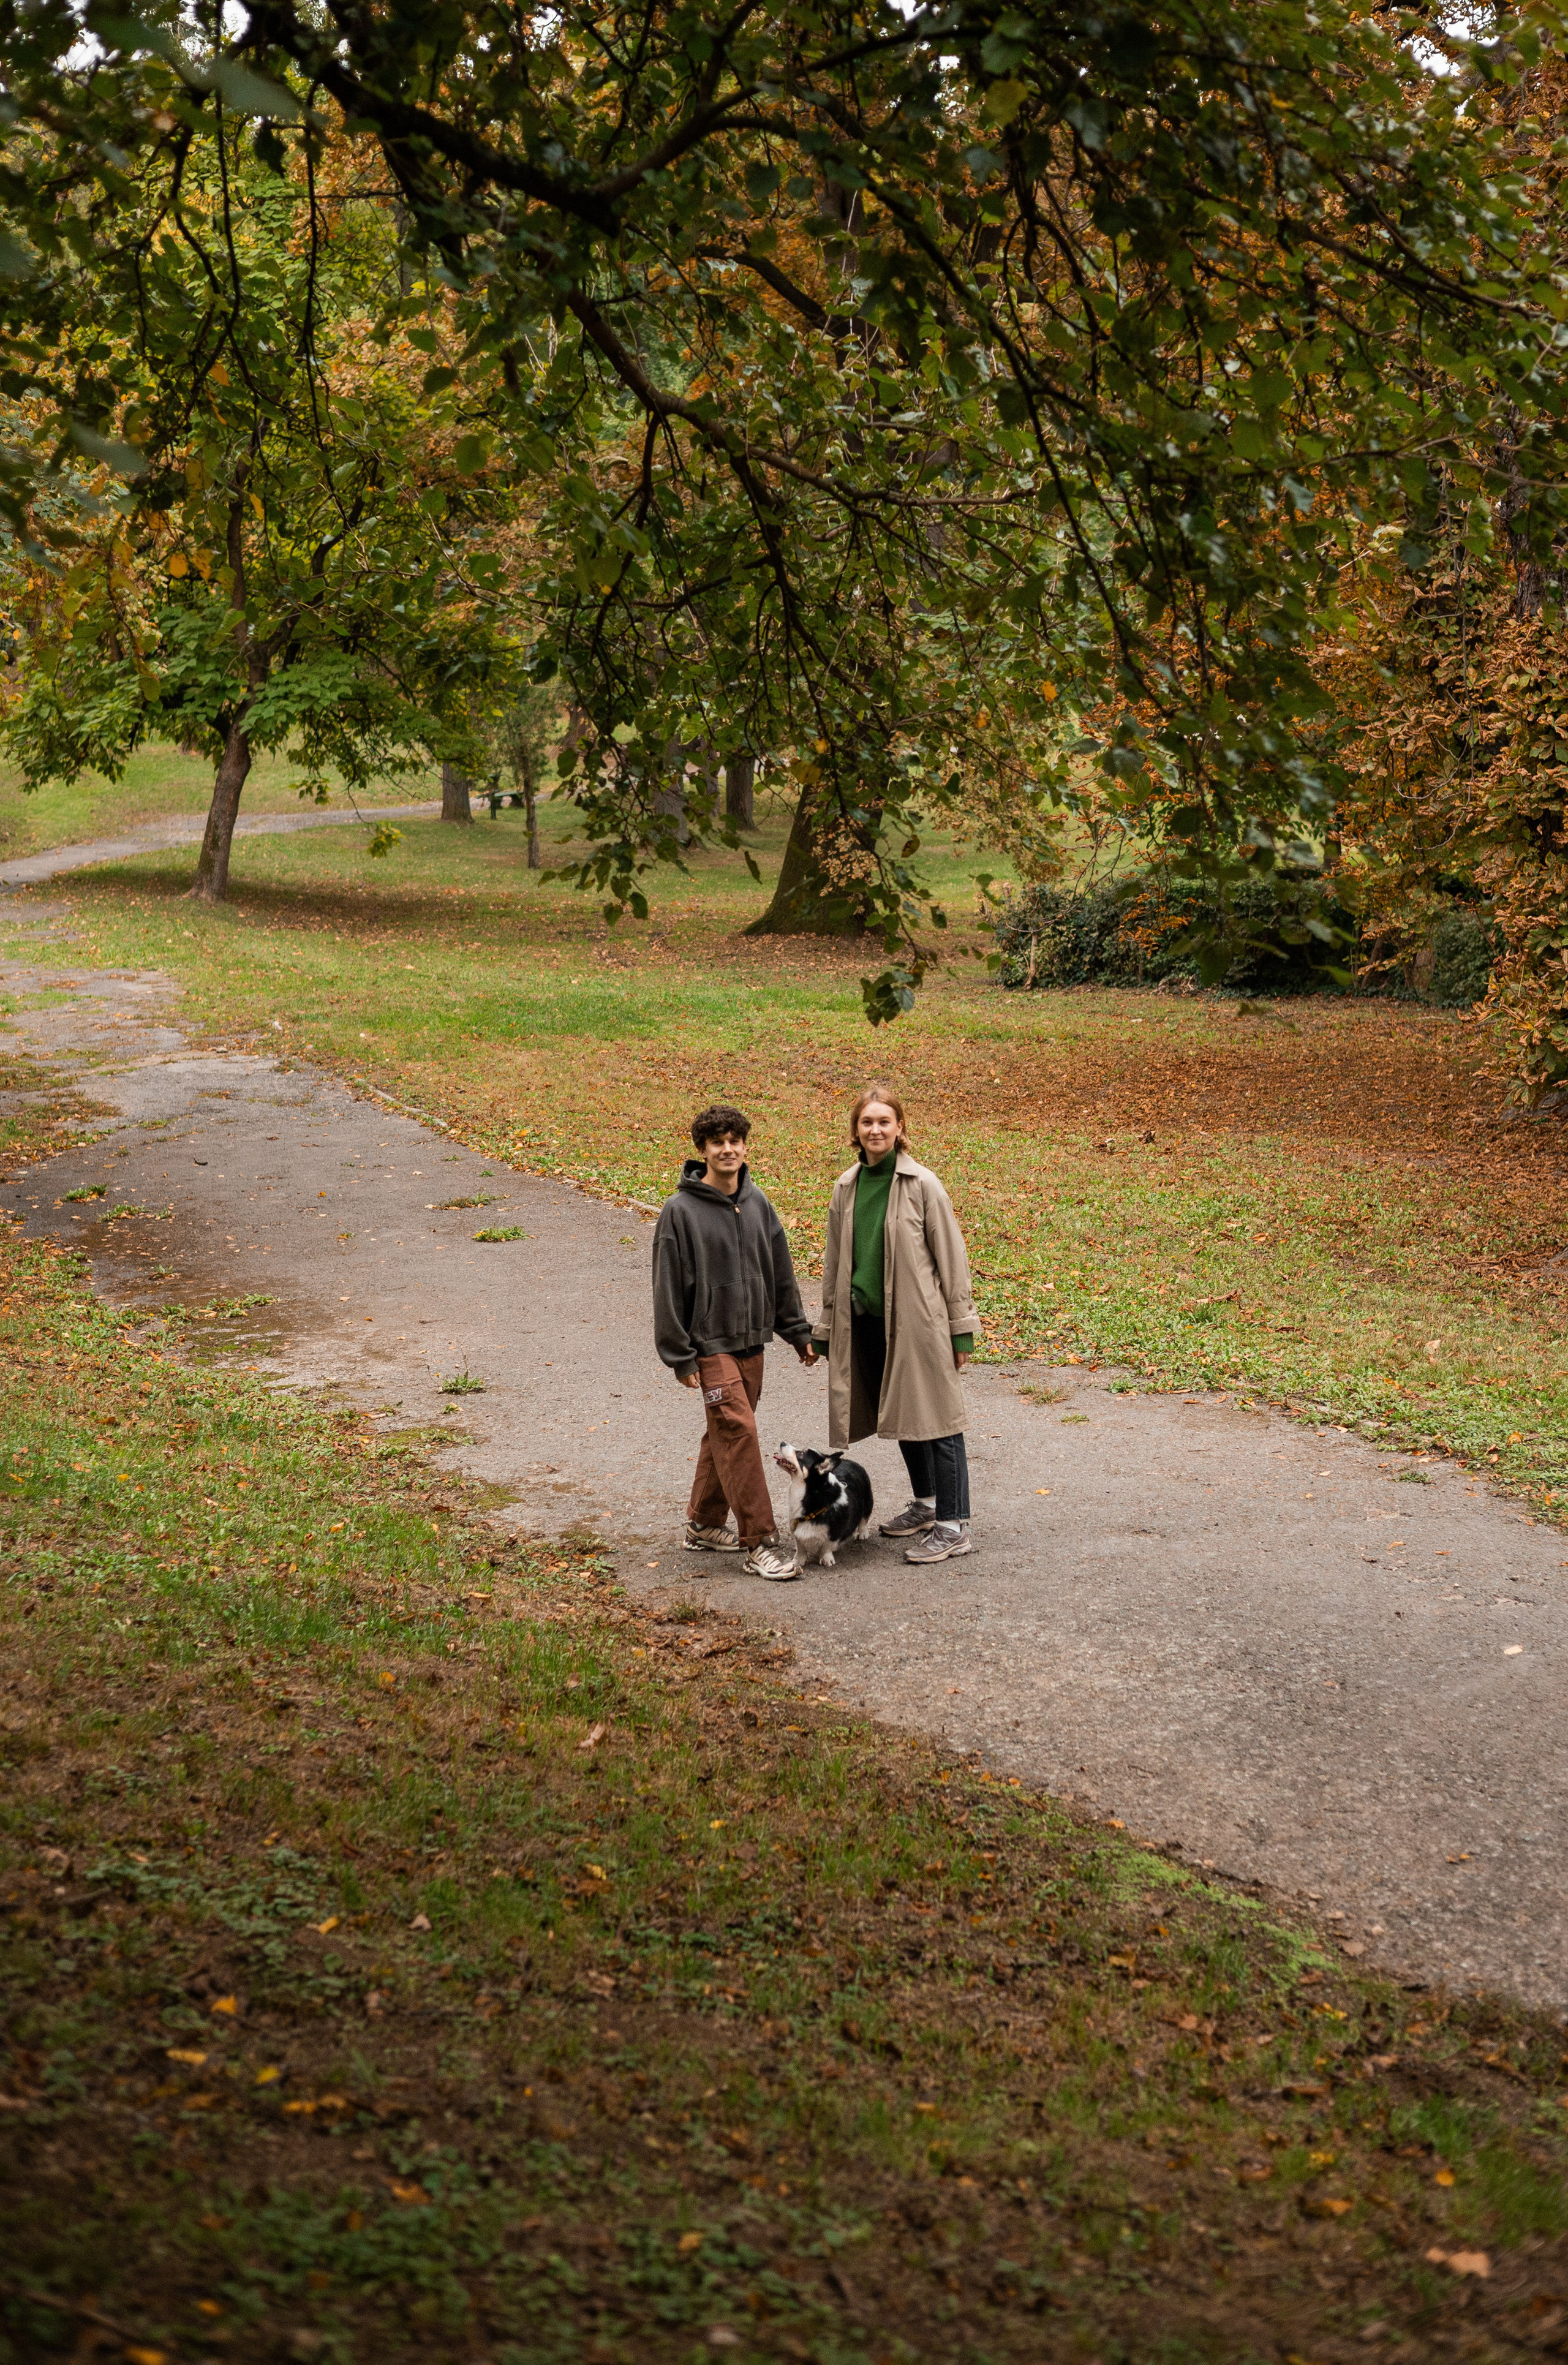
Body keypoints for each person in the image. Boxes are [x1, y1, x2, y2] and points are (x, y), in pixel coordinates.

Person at [652, 1102, 817, 1580]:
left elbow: (780, 1271)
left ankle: (704, 1523)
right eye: (717, 1142)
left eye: (735, 1141)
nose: (727, 1149)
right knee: (739, 1432)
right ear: (702, 1149)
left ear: (745, 1146)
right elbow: (667, 1287)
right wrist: (680, 1355)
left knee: (725, 1432)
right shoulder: (680, 1211)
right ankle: (760, 1542)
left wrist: (798, 1332)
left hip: (752, 1342)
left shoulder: (758, 1202)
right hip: (708, 1344)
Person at [813, 1085, 978, 1563]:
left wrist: (961, 1327)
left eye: (884, 1121)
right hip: (869, 1324)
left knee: (940, 1420)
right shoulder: (847, 1187)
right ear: (856, 1130)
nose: (876, 1129)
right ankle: (927, 1504)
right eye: (867, 1121)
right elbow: (835, 1262)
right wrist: (827, 1328)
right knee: (905, 1413)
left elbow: (952, 1258)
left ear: (900, 1128)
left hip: (919, 1324)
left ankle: (953, 1525)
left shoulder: (923, 1184)